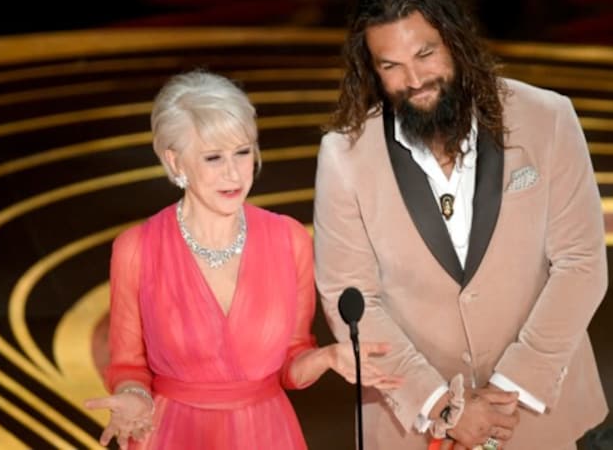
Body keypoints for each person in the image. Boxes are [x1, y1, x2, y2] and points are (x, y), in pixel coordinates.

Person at [313, 0, 609, 449]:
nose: (413, 80)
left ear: (455, 42)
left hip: (538, 416)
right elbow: (349, 297)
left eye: (425, 54)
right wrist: (440, 406)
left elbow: (581, 263)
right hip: (411, 425)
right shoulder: (344, 155)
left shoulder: (546, 118)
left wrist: (508, 390)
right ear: (371, 70)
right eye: (391, 66)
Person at [84, 70, 401, 450]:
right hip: (173, 435)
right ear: (175, 161)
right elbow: (127, 365)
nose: (233, 173)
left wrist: (328, 358)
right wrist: (135, 395)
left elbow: (291, 364)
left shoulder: (289, 240)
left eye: (243, 152)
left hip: (267, 434)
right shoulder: (136, 248)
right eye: (214, 157)